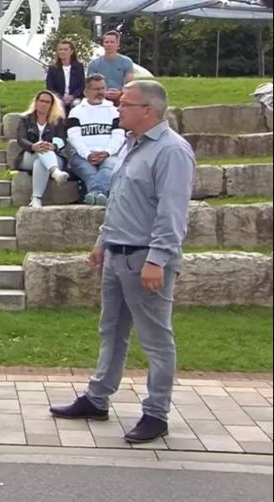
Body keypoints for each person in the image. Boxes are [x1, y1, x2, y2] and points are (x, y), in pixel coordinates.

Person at [50, 80, 195, 444]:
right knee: (111, 331)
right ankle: (97, 399)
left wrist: (157, 261)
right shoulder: (133, 145)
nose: (118, 109)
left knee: (156, 340)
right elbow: (120, 199)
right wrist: (102, 241)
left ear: (148, 110)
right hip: (117, 253)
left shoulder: (172, 152)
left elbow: (171, 213)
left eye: (125, 104)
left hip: (145, 257)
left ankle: (156, 413)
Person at [67, 74, 125, 206]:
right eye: (96, 89)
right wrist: (87, 154)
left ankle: (94, 194)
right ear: (86, 92)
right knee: (90, 173)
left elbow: (119, 135)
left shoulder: (114, 111)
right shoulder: (76, 112)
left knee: (109, 168)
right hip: (82, 156)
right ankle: (101, 195)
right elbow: (74, 137)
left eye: (102, 88)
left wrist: (106, 152)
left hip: (109, 154)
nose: (100, 92)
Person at [14, 91, 70, 208]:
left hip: (53, 156)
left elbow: (62, 139)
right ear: (36, 102)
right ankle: (55, 172)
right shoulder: (25, 120)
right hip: (29, 155)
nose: (44, 104)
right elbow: (21, 139)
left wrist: (54, 146)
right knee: (42, 150)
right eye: (41, 101)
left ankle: (36, 199)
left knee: (41, 162)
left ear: (51, 105)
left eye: (47, 102)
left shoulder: (57, 120)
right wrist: (33, 146)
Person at [87, 31, 135, 105]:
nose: (109, 44)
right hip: (100, 95)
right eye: (106, 42)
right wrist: (104, 93)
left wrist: (121, 92)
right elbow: (90, 85)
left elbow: (130, 83)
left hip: (121, 95)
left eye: (112, 42)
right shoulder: (94, 64)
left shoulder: (126, 62)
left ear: (118, 44)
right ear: (103, 44)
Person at [45, 40, 85, 114]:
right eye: (60, 49)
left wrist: (72, 96)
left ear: (71, 51)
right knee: (59, 105)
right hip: (59, 98)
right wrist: (61, 97)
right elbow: (50, 87)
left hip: (75, 97)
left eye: (65, 49)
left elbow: (81, 85)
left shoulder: (79, 67)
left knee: (76, 104)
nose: (62, 52)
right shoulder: (53, 68)